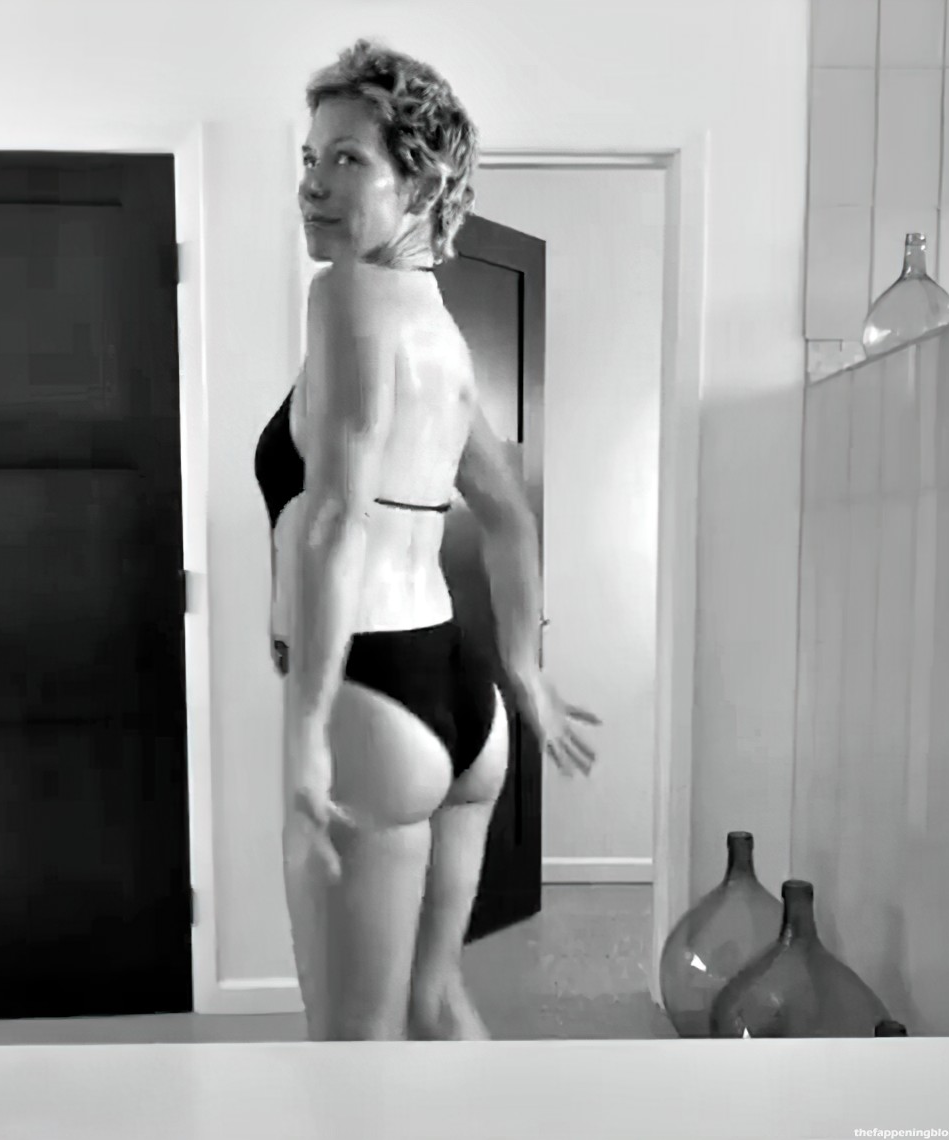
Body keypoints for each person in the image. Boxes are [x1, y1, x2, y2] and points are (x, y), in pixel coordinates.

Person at [253, 39, 601, 1042]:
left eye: (348, 160)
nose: (313, 185)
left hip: (371, 698)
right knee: (434, 1002)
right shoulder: (438, 331)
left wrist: (305, 733)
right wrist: (524, 674)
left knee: (350, 1052)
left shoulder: (345, 294)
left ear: (422, 182)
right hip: (461, 694)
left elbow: (335, 514)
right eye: (309, 159)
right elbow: (508, 514)